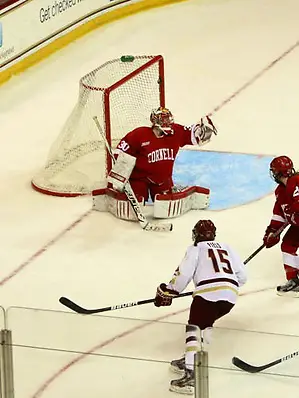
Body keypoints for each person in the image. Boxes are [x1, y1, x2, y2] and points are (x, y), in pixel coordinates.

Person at [154, 219, 247, 395]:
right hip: (230, 297)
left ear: (196, 234)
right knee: (205, 325)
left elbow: (184, 274)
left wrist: (170, 290)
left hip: (207, 294)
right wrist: (226, 282)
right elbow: (242, 277)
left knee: (194, 328)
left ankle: (191, 374)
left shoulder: (195, 249)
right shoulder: (227, 247)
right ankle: (193, 359)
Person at [95, 107, 217, 221]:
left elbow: (193, 135)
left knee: (166, 205)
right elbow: (119, 154)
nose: (168, 124)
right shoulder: (139, 134)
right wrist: (120, 178)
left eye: (168, 121)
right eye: (164, 121)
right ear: (156, 123)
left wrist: (203, 131)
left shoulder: (176, 132)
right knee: (134, 204)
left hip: (162, 180)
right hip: (139, 179)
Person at [263, 155, 299, 297]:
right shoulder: (280, 191)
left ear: (277, 173)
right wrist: (272, 232)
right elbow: (279, 214)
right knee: (287, 245)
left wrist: (296, 208)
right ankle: (294, 280)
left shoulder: (296, 181)